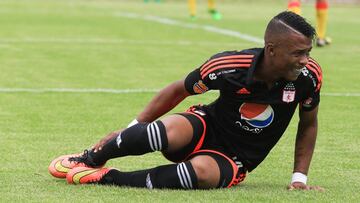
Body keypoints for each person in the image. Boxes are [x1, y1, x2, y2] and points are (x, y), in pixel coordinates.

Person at [49, 11, 324, 191]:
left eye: (308, 52)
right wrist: (133, 126)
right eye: (298, 53)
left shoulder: (308, 78)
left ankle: (109, 177)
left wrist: (299, 178)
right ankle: (90, 159)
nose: (305, 60)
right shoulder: (229, 66)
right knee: (162, 131)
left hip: (233, 158)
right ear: (272, 49)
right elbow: (179, 89)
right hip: (205, 127)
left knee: (200, 174)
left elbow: (308, 124)